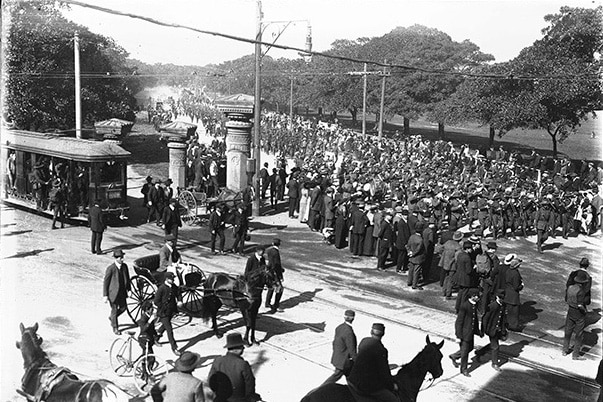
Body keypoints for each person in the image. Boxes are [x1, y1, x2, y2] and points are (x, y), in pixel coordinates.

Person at [347, 323, 398, 402]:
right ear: (383, 334)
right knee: (393, 399)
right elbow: (384, 373)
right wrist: (392, 386)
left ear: (371, 331)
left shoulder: (364, 341)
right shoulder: (381, 350)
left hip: (352, 379)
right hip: (365, 386)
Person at [208, 332, 260, 402]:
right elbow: (250, 385)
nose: (243, 348)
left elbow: (211, 381)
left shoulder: (217, 361)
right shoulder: (243, 364)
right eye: (242, 346)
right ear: (237, 349)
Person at [449, 288, 481, 377]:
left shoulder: (474, 305)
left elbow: (474, 320)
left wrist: (478, 332)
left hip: (470, 333)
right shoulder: (465, 306)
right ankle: (464, 369)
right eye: (476, 296)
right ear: (472, 296)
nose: (478, 297)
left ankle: (454, 356)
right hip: (464, 334)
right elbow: (459, 322)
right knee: (465, 352)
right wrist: (458, 336)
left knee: (470, 348)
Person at [323, 310, 357, 385]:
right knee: (337, 376)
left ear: (344, 317)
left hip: (338, 357)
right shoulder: (349, 332)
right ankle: (321, 388)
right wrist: (356, 360)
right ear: (353, 318)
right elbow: (351, 349)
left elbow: (335, 343)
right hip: (344, 361)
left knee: (350, 377)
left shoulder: (339, 327)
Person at [477, 289, 508, 371]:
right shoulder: (492, 306)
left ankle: (479, 353)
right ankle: (495, 363)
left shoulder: (503, 305)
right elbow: (485, 318)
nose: (501, 299)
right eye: (500, 298)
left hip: (499, 330)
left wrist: (504, 329)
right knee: (495, 347)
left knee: (492, 345)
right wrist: (483, 330)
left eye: (503, 298)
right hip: (492, 330)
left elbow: (503, 318)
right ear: (497, 297)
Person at [563, 270, 590, 360]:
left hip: (570, 310)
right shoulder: (581, 291)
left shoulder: (570, 287)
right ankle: (575, 355)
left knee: (568, 331)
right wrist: (585, 311)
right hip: (578, 313)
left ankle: (565, 350)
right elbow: (580, 305)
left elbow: (566, 299)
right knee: (579, 334)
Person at [154, 272, 183, 355]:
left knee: (164, 326)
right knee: (169, 329)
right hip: (163, 312)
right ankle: (174, 348)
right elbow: (156, 301)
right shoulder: (162, 288)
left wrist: (180, 300)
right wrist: (163, 307)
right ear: (167, 279)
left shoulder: (174, 286)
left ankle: (156, 337)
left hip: (171, 311)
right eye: (171, 279)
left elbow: (178, 294)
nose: (173, 280)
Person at [103, 250, 131, 335]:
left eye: (123, 257)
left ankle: (112, 317)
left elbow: (128, 279)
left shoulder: (125, 266)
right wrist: (105, 295)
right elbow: (106, 282)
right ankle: (115, 327)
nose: (122, 259)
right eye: (121, 258)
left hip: (122, 292)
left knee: (123, 308)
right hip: (113, 293)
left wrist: (129, 290)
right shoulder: (110, 268)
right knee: (114, 310)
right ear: (116, 258)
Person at [265, 238, 284, 314]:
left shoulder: (269, 250)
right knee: (280, 289)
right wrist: (281, 275)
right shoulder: (276, 252)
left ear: (273, 243)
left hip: (269, 271)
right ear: (279, 244)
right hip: (275, 273)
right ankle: (276, 305)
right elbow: (277, 264)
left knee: (271, 287)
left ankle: (267, 302)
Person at [504, 258, 524, 331]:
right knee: (514, 312)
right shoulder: (515, 273)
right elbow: (516, 286)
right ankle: (513, 326)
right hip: (513, 295)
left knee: (509, 311)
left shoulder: (508, 271)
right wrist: (521, 285)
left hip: (508, 292)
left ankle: (508, 324)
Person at [407, 221, 425, 290]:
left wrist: (409, 252)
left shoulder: (412, 237)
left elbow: (408, 245)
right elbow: (418, 250)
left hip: (411, 257)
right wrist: (413, 253)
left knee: (411, 270)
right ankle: (414, 284)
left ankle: (409, 281)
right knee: (416, 271)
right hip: (418, 258)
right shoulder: (420, 240)